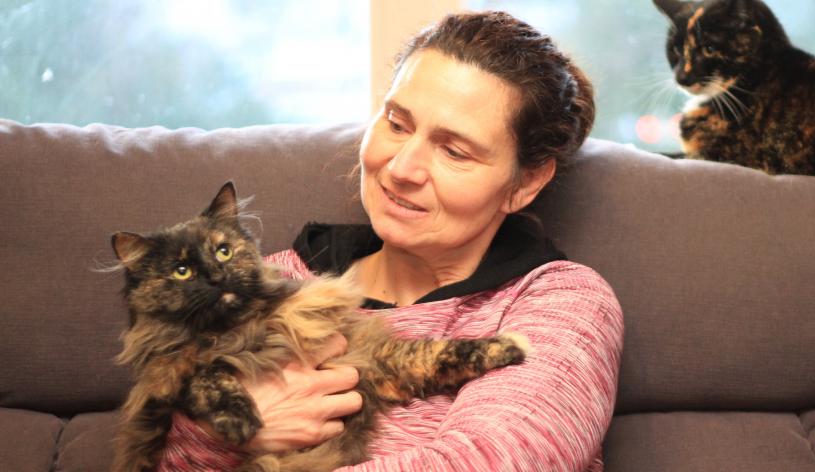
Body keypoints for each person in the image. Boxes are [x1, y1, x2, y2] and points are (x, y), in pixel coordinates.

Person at [157, 10, 623, 471]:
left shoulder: (559, 303)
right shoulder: (265, 282)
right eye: (397, 124)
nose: (401, 168)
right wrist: (220, 435)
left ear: (526, 182)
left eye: (454, 151)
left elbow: (495, 462)